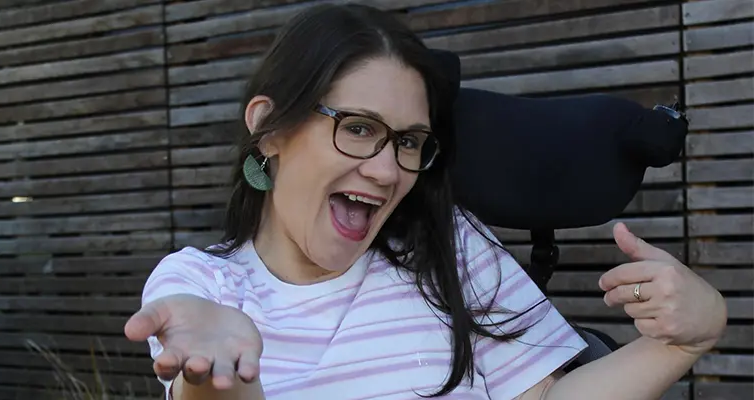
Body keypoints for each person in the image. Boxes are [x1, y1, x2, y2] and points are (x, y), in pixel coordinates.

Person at [124, 4, 728, 400]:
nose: (387, 170)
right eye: (358, 127)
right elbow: (213, 371)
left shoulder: (451, 248)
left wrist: (684, 341)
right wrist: (216, 375)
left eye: (409, 141)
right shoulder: (202, 286)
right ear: (271, 128)